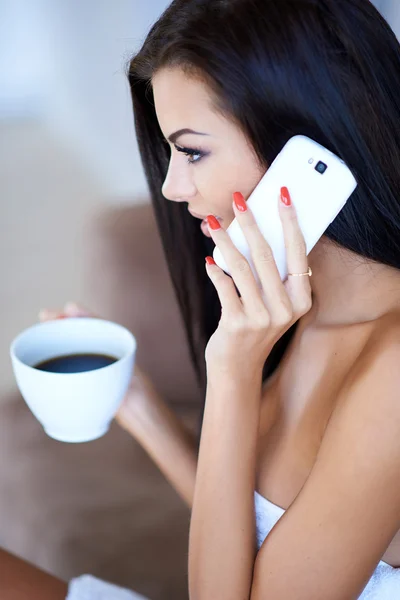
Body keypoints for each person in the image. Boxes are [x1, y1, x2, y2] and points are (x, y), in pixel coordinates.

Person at [4, 0, 400, 597]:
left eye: (191, 151)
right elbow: (257, 532)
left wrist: (234, 369)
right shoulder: (295, 303)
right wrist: (140, 406)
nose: (171, 186)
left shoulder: (393, 369)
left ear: (306, 143)